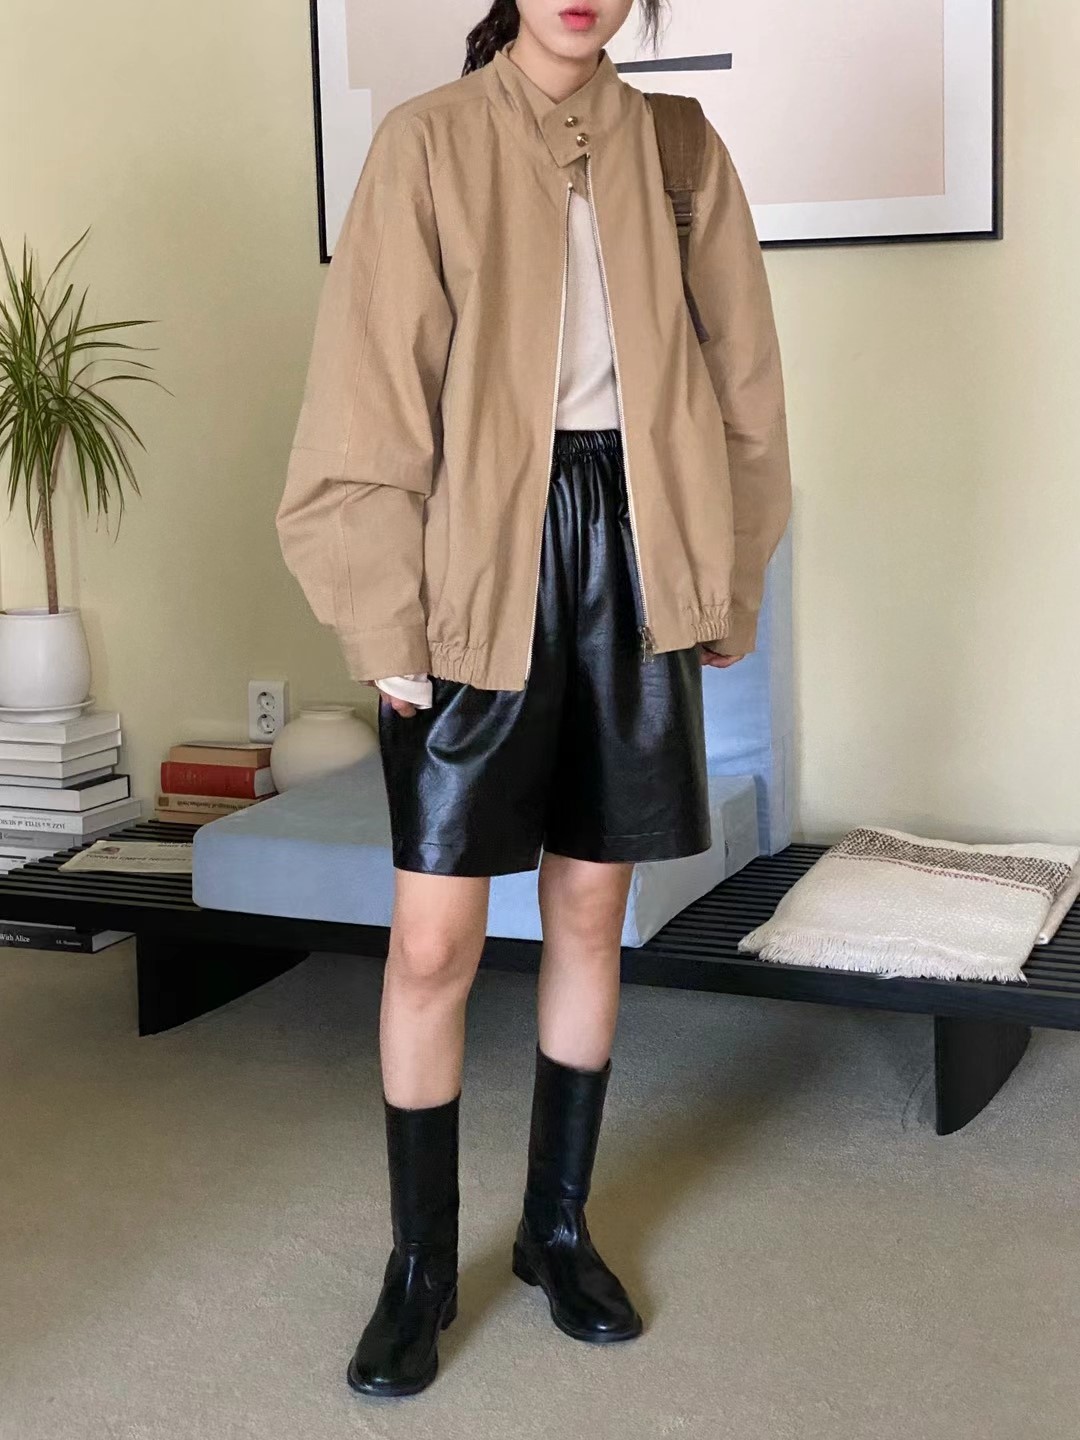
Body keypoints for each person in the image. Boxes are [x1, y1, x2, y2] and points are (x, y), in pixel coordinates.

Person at [276, 0, 791, 1399]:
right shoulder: (428, 142)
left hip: (637, 552)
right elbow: (368, 388)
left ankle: (558, 1230)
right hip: (473, 560)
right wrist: (384, 614)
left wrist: (726, 578)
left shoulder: (680, 149)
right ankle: (421, 1266)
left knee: (588, 909)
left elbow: (745, 385)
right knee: (433, 938)